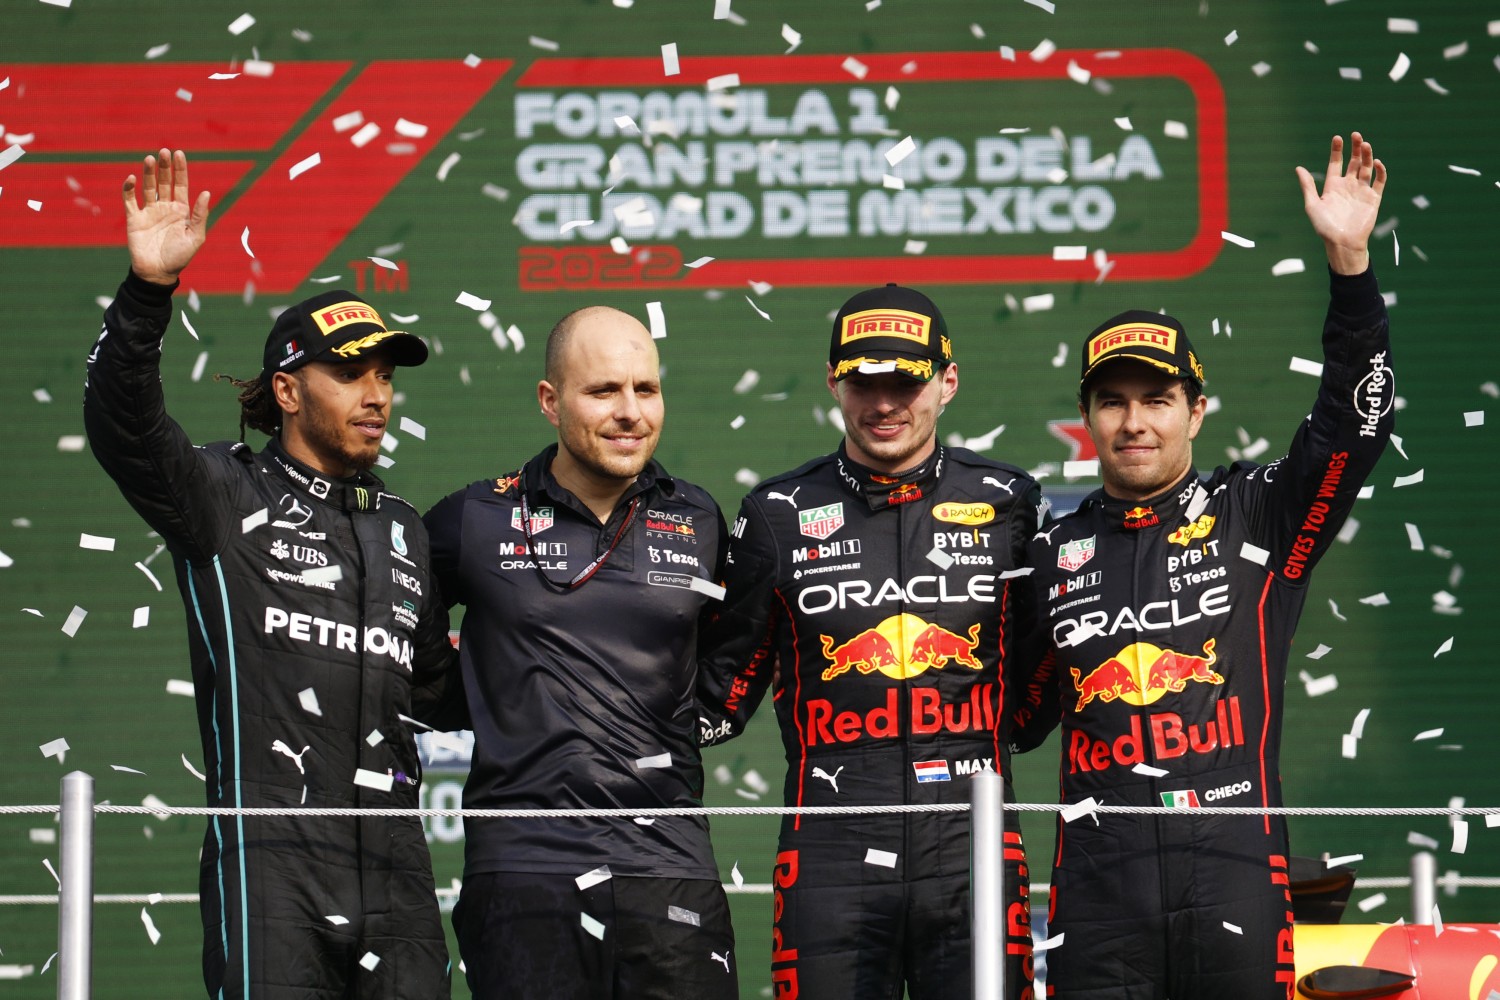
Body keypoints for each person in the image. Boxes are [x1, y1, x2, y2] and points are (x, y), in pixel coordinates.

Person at [1022, 132, 1393, 999]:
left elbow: (1357, 424)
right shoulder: (1049, 552)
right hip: (1099, 890)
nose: (1134, 422)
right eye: (1111, 402)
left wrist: (1350, 269)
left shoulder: (1259, 511)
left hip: (1233, 871)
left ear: (1197, 408)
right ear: (1086, 418)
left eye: (1156, 399)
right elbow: (1018, 714)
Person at [83, 149, 458, 998]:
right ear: (287, 392)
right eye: (352, 372)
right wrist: (148, 293)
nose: (378, 394)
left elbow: (441, 692)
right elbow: (122, 424)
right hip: (272, 870)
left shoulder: (402, 529)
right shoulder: (220, 491)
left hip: (398, 876)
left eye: (386, 375)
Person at [697, 284, 1047, 999]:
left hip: (974, 844)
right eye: (863, 382)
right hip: (830, 849)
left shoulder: (1011, 501)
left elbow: (1043, 680)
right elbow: (722, 694)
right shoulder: (777, 514)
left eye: (905, 381)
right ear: (834, 384)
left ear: (947, 382)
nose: (884, 402)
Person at [423, 306, 737, 999]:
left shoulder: (699, 518)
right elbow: (398, 644)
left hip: (669, 867)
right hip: (524, 872)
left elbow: (729, 658)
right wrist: (483, 700)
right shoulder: (472, 519)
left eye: (645, 390)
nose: (630, 412)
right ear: (550, 400)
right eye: (603, 391)